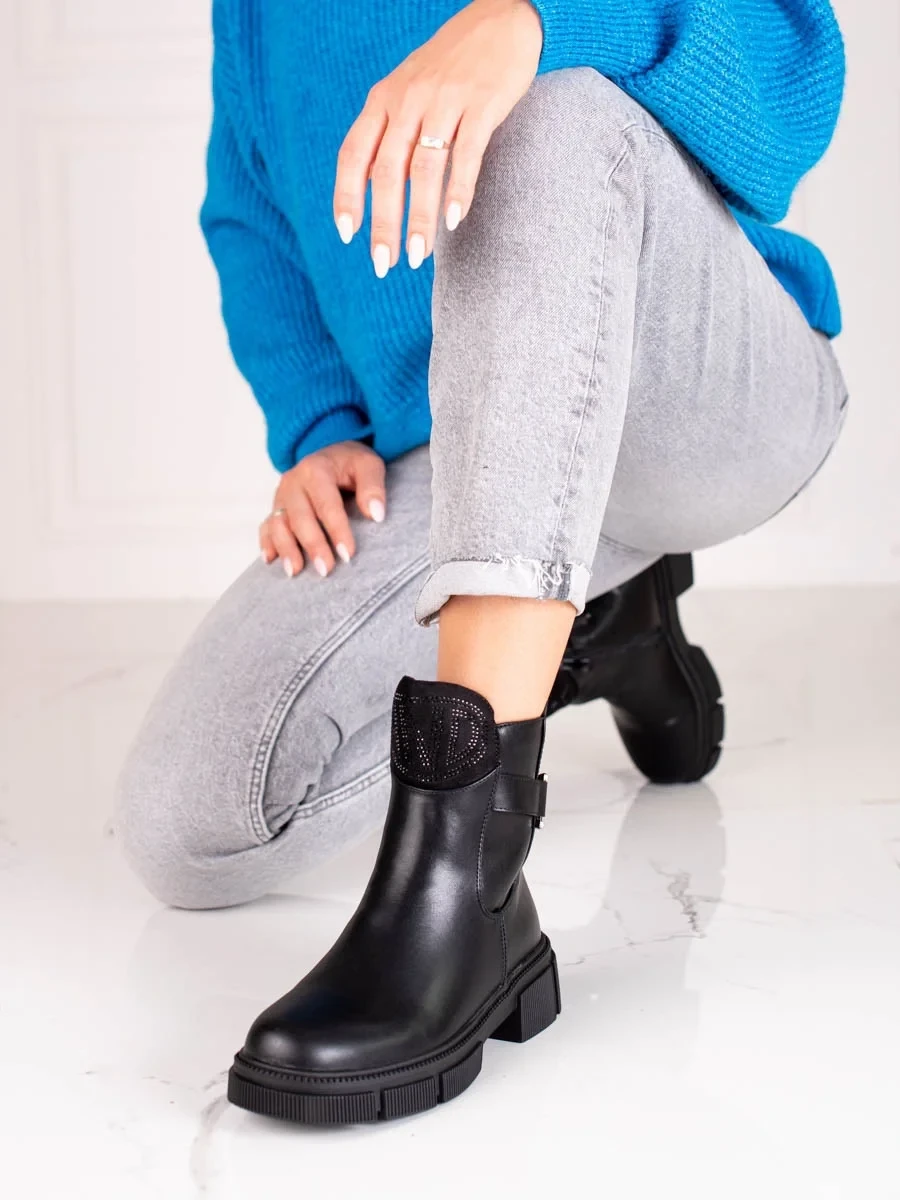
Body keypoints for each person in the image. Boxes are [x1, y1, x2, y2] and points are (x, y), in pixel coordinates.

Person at [116, 0, 848, 1124]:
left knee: (545, 115)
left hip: (701, 397)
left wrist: (534, 25)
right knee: (192, 822)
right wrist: (318, 423)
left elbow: (793, 83)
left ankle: (471, 879)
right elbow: (249, 201)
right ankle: (595, 617)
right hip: (467, 447)